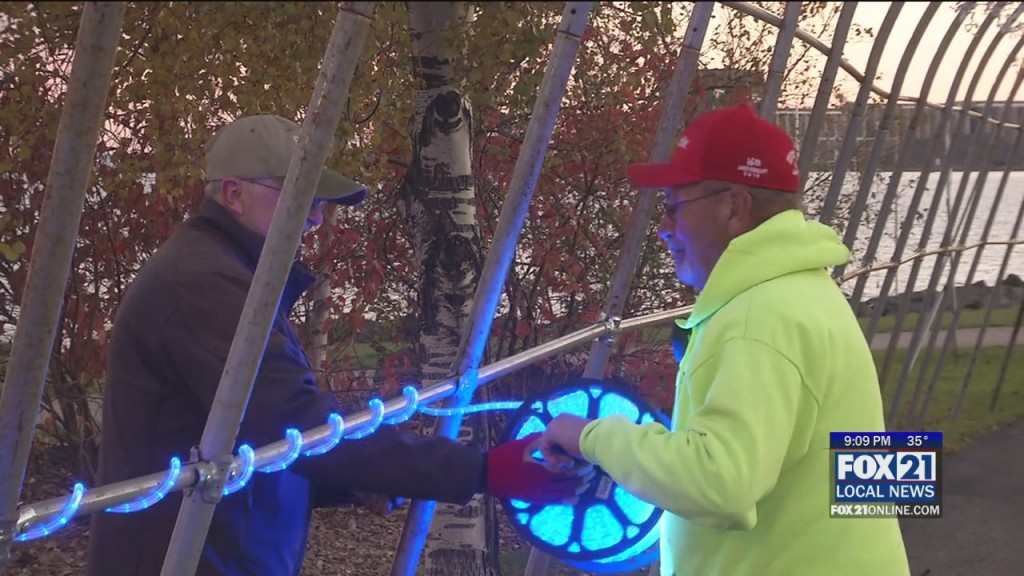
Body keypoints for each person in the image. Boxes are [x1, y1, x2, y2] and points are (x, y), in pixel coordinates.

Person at [86, 114, 589, 576]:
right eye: (299, 196)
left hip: (211, 550)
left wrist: (344, 482)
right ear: (233, 194)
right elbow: (294, 423)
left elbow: (248, 440)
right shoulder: (205, 283)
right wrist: (481, 470)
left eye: (318, 201)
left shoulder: (230, 272)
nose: (316, 218)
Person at [536, 104, 911, 576]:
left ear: (734, 207)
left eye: (674, 207)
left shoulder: (760, 318)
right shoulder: (806, 291)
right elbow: (860, 468)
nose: (663, 228)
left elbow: (722, 486)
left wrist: (589, 436)